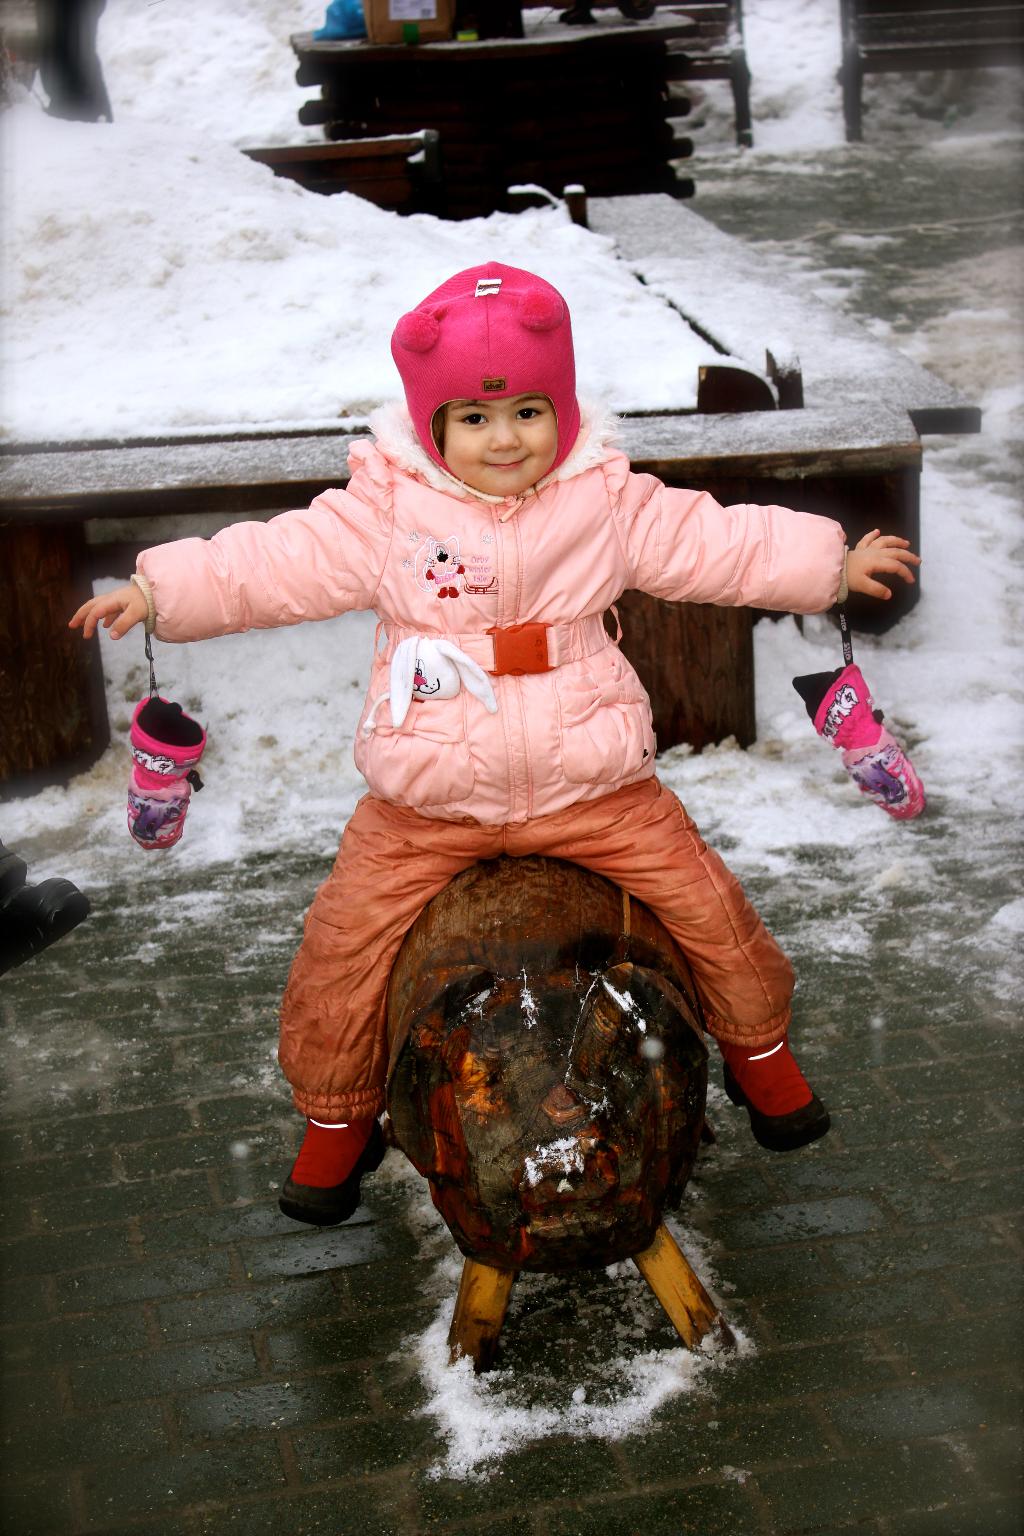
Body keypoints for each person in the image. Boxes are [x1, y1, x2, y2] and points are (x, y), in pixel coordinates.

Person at [69, 262, 920, 1225]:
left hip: (593, 785)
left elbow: (715, 542)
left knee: (709, 908)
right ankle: (336, 1126)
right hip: (427, 797)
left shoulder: (604, 499)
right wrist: (160, 592)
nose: (504, 438)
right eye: (473, 421)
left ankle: (764, 1063)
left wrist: (828, 562)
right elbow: (275, 560)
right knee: (341, 950)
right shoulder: (387, 512)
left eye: (526, 411)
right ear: (432, 429)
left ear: (561, 410)